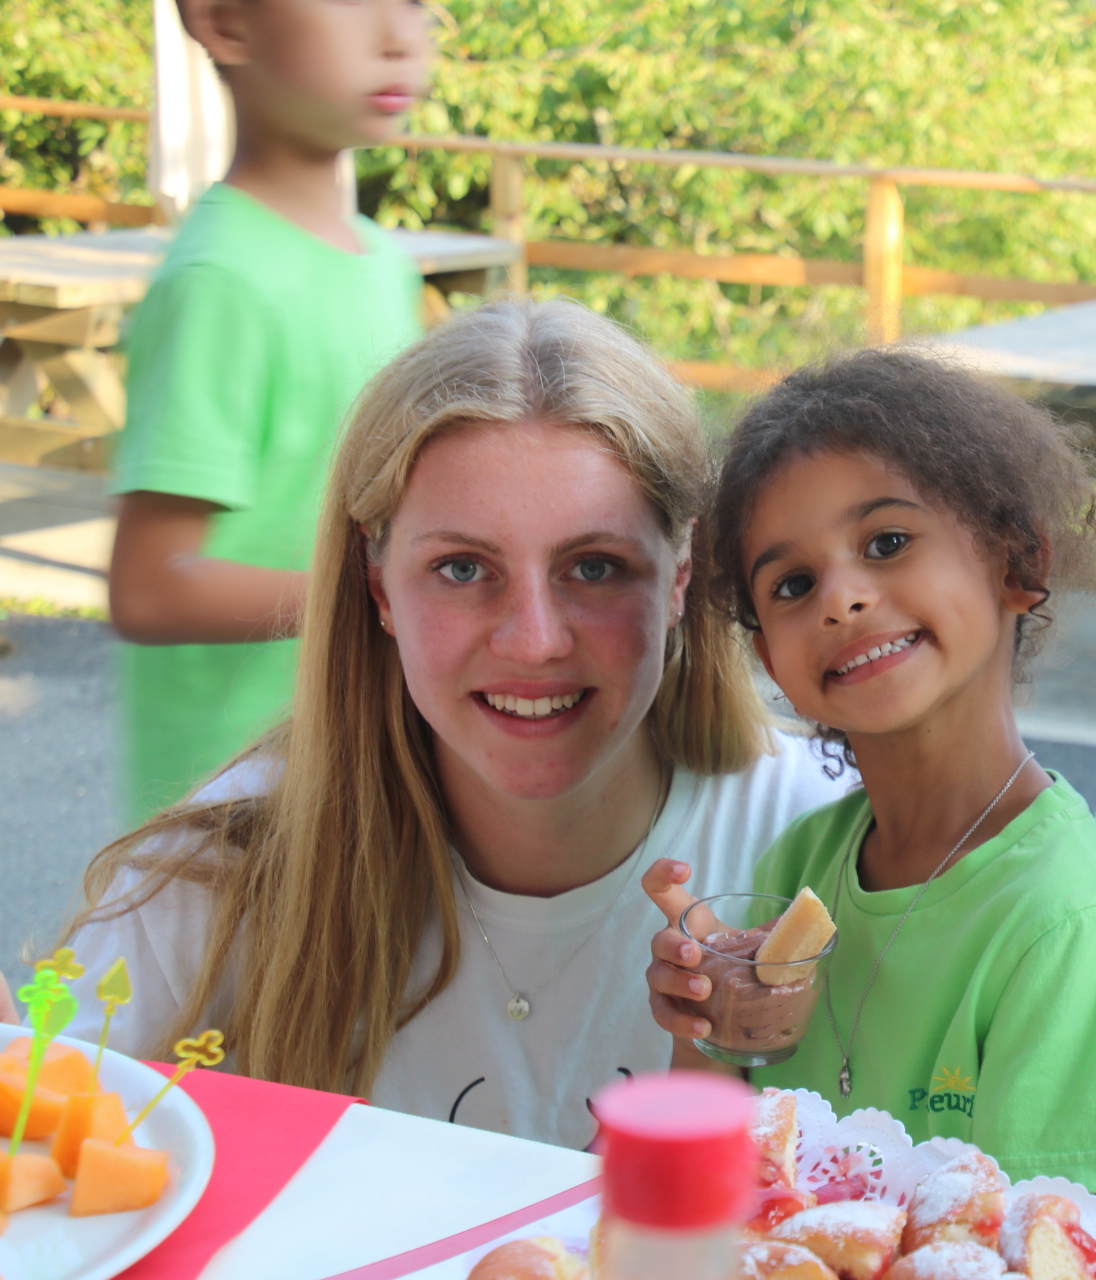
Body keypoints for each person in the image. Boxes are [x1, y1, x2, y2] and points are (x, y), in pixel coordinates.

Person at [63, 300, 849, 1148]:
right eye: (463, 569)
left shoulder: (838, 845)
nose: (535, 641)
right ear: (378, 585)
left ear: (680, 575)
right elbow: (45, 1151)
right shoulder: (216, 880)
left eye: (594, 567)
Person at [644, 350, 1096, 1210]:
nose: (841, 598)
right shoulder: (802, 865)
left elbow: (1066, 1247)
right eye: (793, 584)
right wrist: (708, 1027)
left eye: (887, 543)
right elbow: (713, 1190)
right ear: (770, 661)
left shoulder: (1070, 923)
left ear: (1016, 561)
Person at [109, 0, 431, 822]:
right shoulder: (219, 280)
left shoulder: (384, 264)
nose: (399, 35)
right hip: (231, 803)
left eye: (416, 2)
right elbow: (148, 588)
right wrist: (379, 595)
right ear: (225, 23)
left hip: (360, 766)